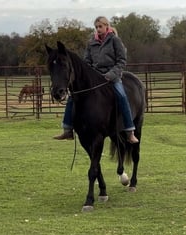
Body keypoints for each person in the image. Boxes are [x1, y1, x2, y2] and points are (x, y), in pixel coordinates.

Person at [53, 16, 139, 144]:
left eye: (100, 26)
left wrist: (112, 74)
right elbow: (87, 62)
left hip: (112, 76)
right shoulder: (91, 43)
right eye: (96, 27)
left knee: (121, 96)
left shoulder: (115, 41)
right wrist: (90, 74)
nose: (98, 29)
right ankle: (68, 129)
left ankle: (129, 130)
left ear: (106, 26)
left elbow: (121, 61)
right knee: (73, 96)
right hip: (95, 76)